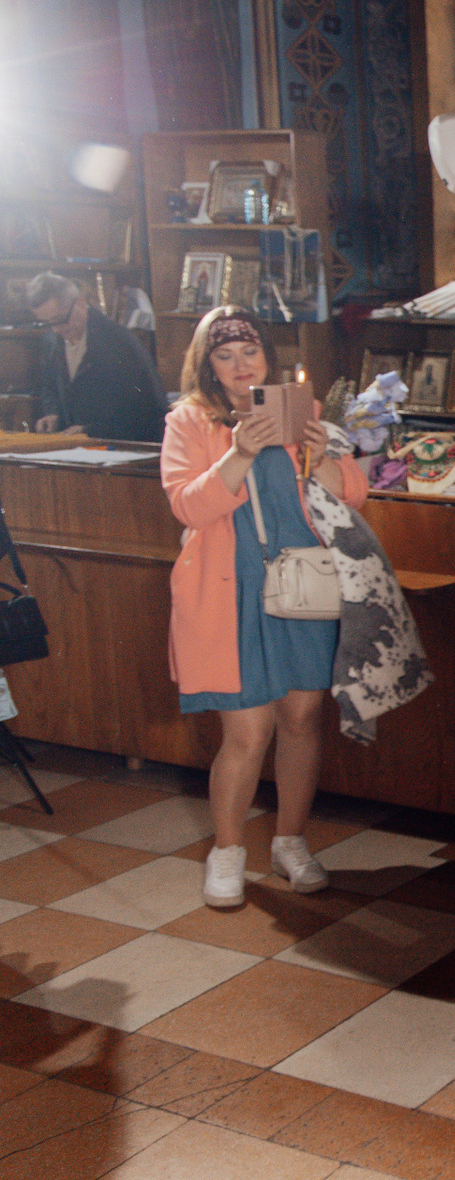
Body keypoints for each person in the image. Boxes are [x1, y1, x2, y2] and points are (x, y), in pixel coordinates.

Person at [160, 307, 365, 909]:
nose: (240, 366)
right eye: (224, 356)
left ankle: (290, 843)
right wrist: (239, 453)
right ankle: (227, 853)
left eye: (249, 352)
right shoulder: (189, 420)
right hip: (231, 590)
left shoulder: (302, 409)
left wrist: (323, 456)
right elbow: (187, 506)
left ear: (267, 357)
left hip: (302, 584)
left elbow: (351, 495)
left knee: (301, 719)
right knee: (248, 732)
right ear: (207, 365)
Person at [26, 271, 165, 442]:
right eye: (47, 323)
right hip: (72, 447)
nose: (56, 329)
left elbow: (150, 411)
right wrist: (53, 413)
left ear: (80, 303)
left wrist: (91, 431)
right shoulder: (51, 340)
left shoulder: (119, 342)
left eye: (60, 319)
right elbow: (49, 387)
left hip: (118, 447)